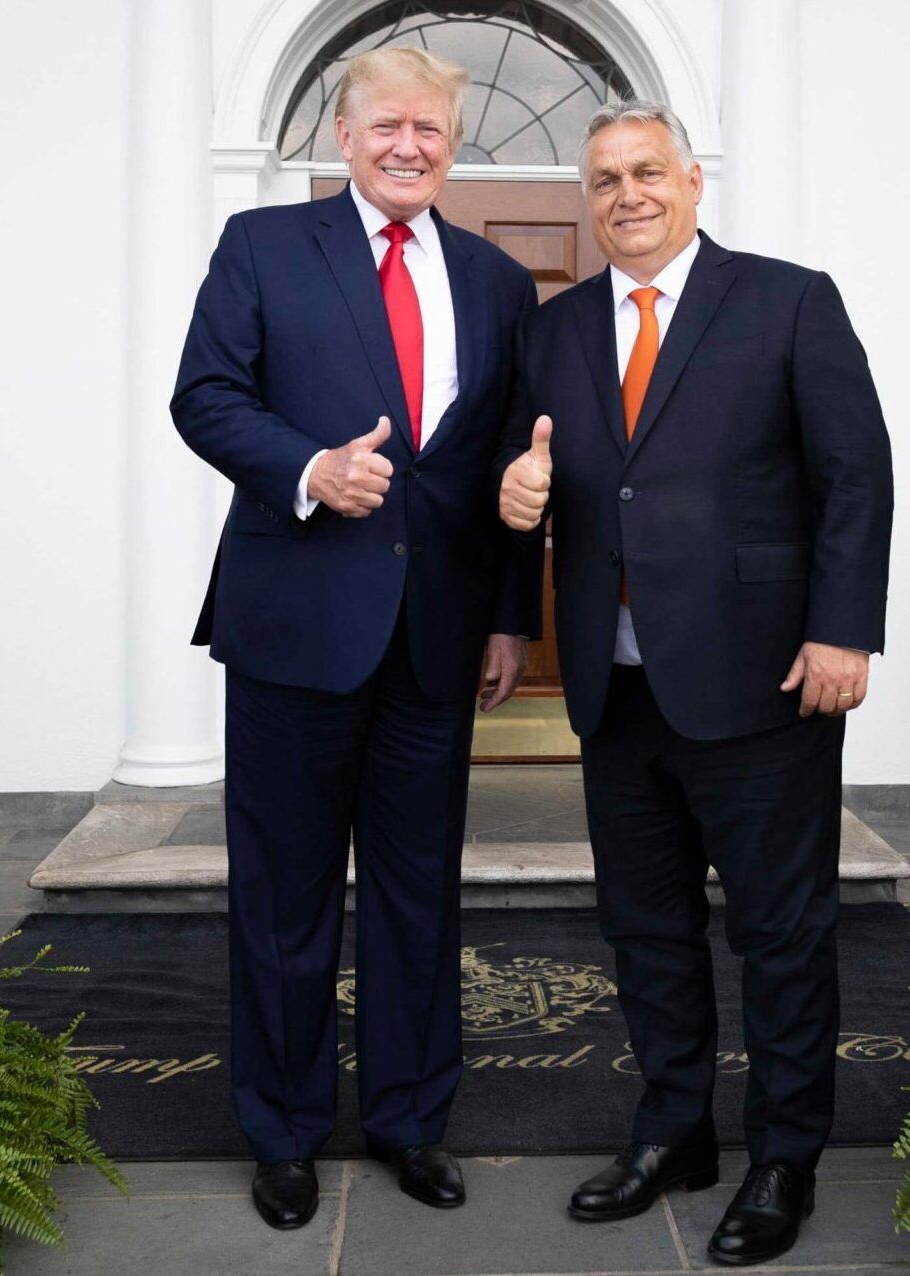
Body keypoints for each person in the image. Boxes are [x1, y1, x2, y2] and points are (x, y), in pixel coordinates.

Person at [498, 99, 893, 1266]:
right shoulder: (555, 329)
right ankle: (674, 1130)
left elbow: (855, 478)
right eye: (605, 179)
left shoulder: (786, 300)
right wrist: (515, 503)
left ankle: (783, 1157)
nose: (626, 195)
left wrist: (841, 635)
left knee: (779, 933)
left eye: (646, 172)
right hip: (614, 692)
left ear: (691, 180)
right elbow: (541, 480)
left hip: (764, 680)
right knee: (644, 928)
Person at [172, 46, 540, 1231]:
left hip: (434, 637)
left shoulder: (492, 281)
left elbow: (504, 463)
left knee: (415, 894)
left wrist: (506, 615)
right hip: (293, 627)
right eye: (387, 125)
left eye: (431, 130)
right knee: (283, 898)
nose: (408, 147)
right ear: (342, 134)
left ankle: (406, 1119)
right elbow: (206, 395)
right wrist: (307, 468)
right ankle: (281, 1132)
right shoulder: (261, 246)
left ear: (452, 141)